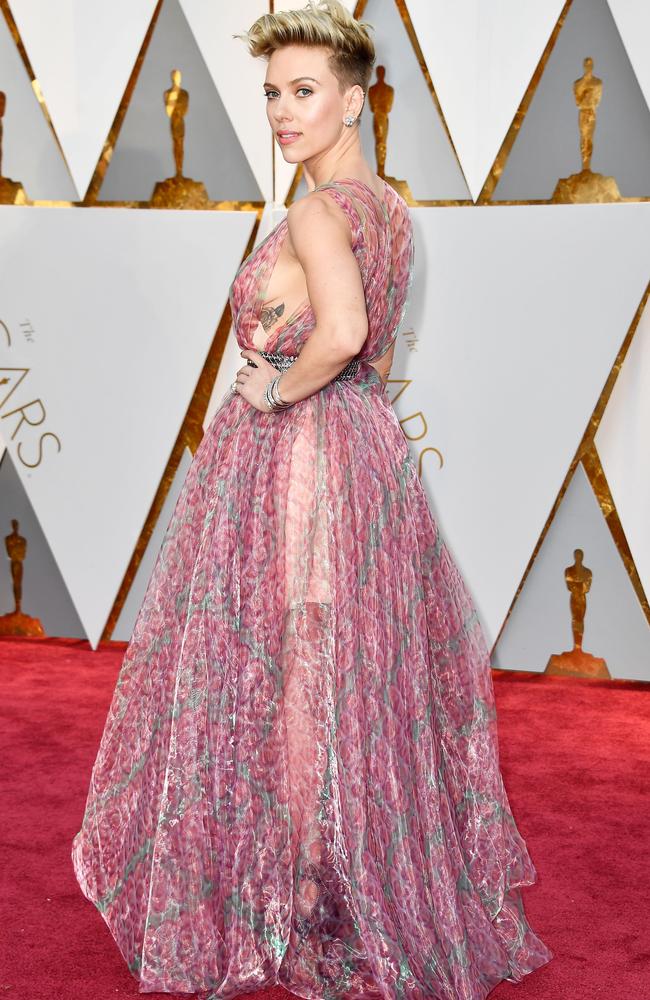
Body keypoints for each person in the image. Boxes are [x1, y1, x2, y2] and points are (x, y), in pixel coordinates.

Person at [71, 2, 554, 998]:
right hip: (363, 450)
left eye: (303, 94)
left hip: (302, 456)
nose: (283, 113)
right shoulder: (385, 207)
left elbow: (338, 330)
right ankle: (340, 878)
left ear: (354, 99)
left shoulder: (312, 210)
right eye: (271, 94)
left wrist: (266, 389)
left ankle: (304, 894)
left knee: (291, 660)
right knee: (339, 665)